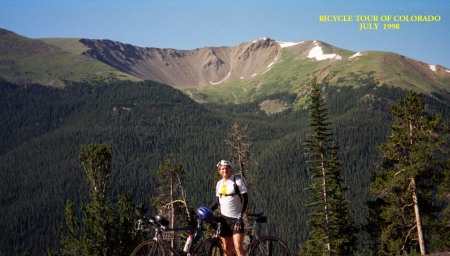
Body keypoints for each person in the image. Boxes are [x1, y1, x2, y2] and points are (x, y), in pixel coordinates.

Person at [209, 160, 248, 256]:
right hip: (224, 220)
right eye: (222, 169)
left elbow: (245, 200)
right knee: (227, 249)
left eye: (226, 168)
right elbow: (218, 202)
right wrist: (208, 210)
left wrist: (240, 217)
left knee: (238, 247)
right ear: (219, 171)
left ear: (230, 169)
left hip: (236, 219)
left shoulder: (237, 181)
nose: (224, 170)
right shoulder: (219, 184)